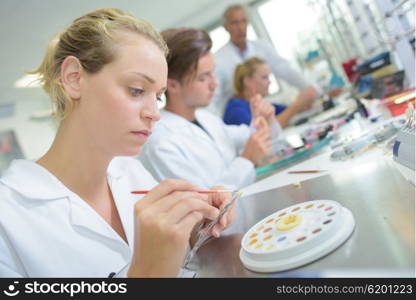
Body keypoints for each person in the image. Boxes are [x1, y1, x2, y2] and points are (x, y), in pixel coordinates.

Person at [0, 8, 235, 278]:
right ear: (74, 78)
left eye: (157, 97)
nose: (154, 113)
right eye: (136, 90)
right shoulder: (8, 218)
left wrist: (194, 232)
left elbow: (177, 264)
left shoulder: (131, 173)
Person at [139, 28, 282, 190]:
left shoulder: (206, 118)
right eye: (203, 78)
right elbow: (205, 206)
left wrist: (265, 120)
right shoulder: (161, 144)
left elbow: (251, 136)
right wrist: (247, 159)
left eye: (212, 73)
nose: (215, 84)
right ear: (172, 85)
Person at [212, 4, 319, 115]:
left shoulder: (262, 47)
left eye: (244, 21)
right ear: (226, 27)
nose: (241, 27)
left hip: (260, 108)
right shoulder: (218, 60)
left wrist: (312, 92)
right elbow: (213, 96)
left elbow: (286, 71)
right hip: (240, 112)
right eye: (235, 23)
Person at [224, 57, 318, 128]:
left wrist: (303, 103)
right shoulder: (235, 109)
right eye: (265, 77)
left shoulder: (260, 103)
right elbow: (262, 132)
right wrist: (297, 106)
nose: (269, 82)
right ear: (247, 81)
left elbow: (285, 112)